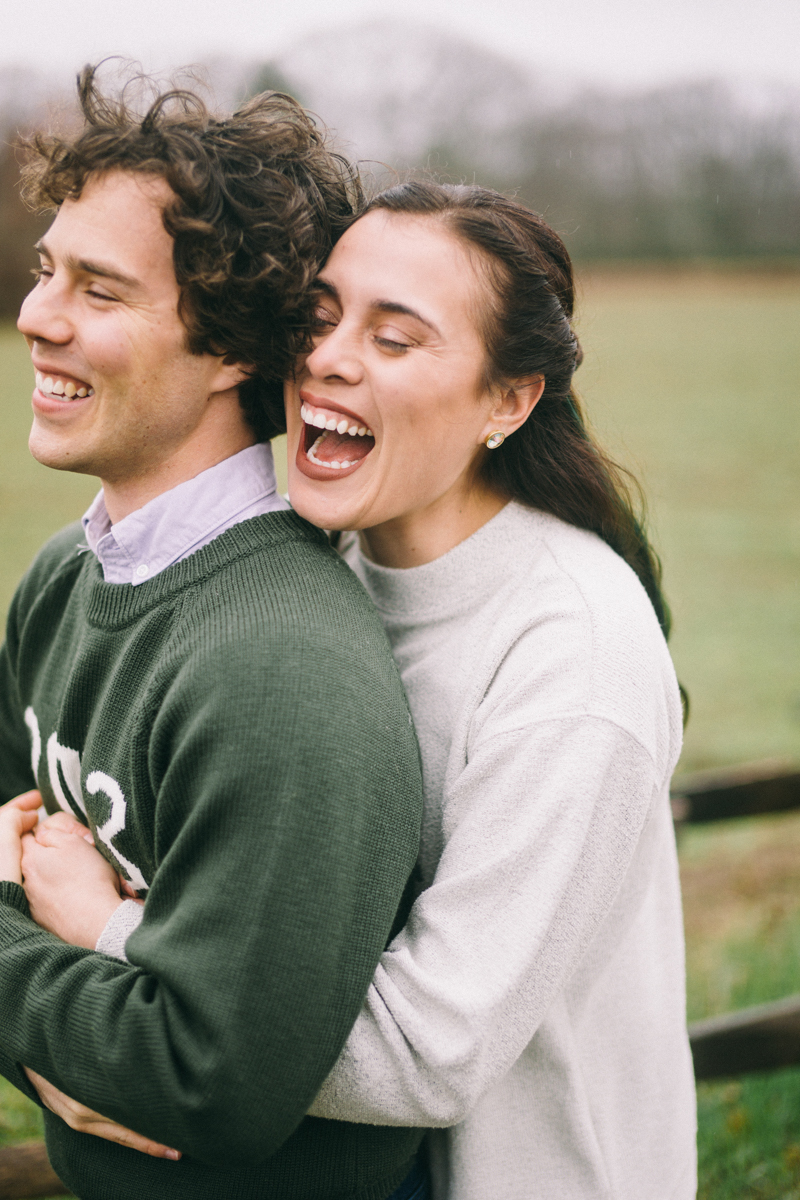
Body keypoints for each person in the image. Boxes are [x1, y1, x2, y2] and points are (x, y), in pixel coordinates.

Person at [18, 182, 697, 1198]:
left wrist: (112, 946)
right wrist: (79, 1044)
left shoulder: (571, 656)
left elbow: (428, 1049)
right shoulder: (314, 569)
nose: (328, 358)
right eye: (323, 317)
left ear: (507, 400)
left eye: (396, 338)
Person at [0, 68, 428, 1200]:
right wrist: (71, 1036)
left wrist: (79, 1016)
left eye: (98, 289)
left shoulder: (279, 670)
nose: (37, 316)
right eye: (48, 272)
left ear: (234, 348)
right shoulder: (59, 578)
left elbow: (204, 1082)